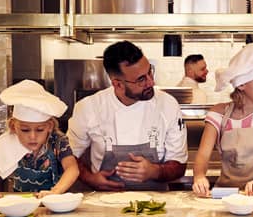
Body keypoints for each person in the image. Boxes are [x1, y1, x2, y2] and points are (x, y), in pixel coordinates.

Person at [67, 40, 188, 191]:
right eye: (141, 79)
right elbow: (69, 156)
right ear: (117, 84)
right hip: (104, 201)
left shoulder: (168, 105)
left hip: (156, 204)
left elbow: (180, 165)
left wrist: (154, 171)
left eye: (150, 72)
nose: (151, 82)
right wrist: (90, 179)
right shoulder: (89, 108)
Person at [193, 43, 253, 197]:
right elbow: (203, 155)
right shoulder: (219, 113)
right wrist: (199, 176)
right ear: (242, 84)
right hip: (226, 196)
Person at [0, 80, 79, 207]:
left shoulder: (58, 142)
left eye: (40, 130)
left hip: (54, 206)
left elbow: (72, 169)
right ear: (13, 126)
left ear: (50, 126)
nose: (32, 136)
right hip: (20, 207)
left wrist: (55, 192)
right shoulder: (8, 143)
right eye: (25, 130)